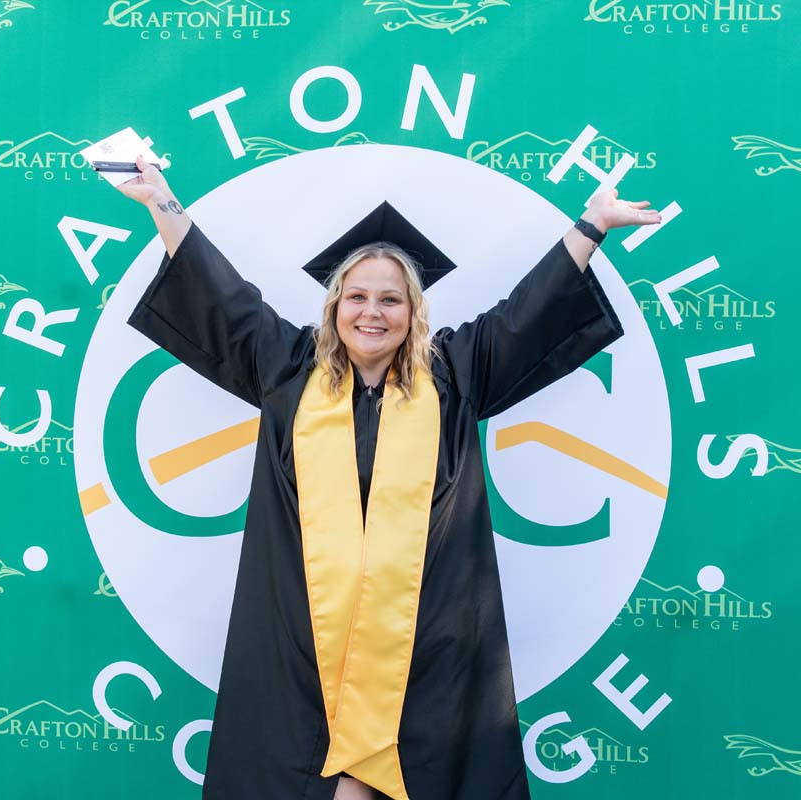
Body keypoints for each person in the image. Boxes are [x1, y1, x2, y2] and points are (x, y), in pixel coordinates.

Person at [117, 153, 660, 800]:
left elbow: (524, 314)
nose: (372, 313)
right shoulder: (289, 371)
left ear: (412, 310)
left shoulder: (454, 376)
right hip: (305, 650)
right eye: (357, 297)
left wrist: (591, 225)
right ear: (335, 306)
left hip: (424, 653)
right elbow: (222, 297)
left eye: (390, 299)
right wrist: (162, 203)